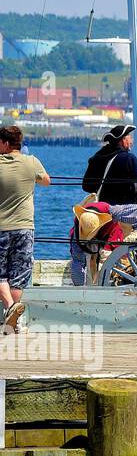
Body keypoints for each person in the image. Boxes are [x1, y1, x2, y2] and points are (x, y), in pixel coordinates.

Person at [0, 126, 50, 329]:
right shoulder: (32, 162)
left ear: (4, 143)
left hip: (1, 228)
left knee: (1, 275)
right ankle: (14, 319)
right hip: (24, 228)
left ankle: (11, 310)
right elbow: (47, 181)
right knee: (18, 277)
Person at [80, 124, 137, 235]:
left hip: (100, 212)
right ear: (122, 140)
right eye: (129, 137)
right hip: (121, 214)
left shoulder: (97, 157)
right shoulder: (128, 159)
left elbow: (86, 186)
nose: (131, 140)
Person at [68, 201, 123, 286]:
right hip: (82, 237)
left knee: (106, 257)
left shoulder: (111, 214)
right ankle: (84, 287)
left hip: (107, 234)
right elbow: (77, 258)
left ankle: (101, 284)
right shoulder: (82, 221)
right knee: (79, 260)